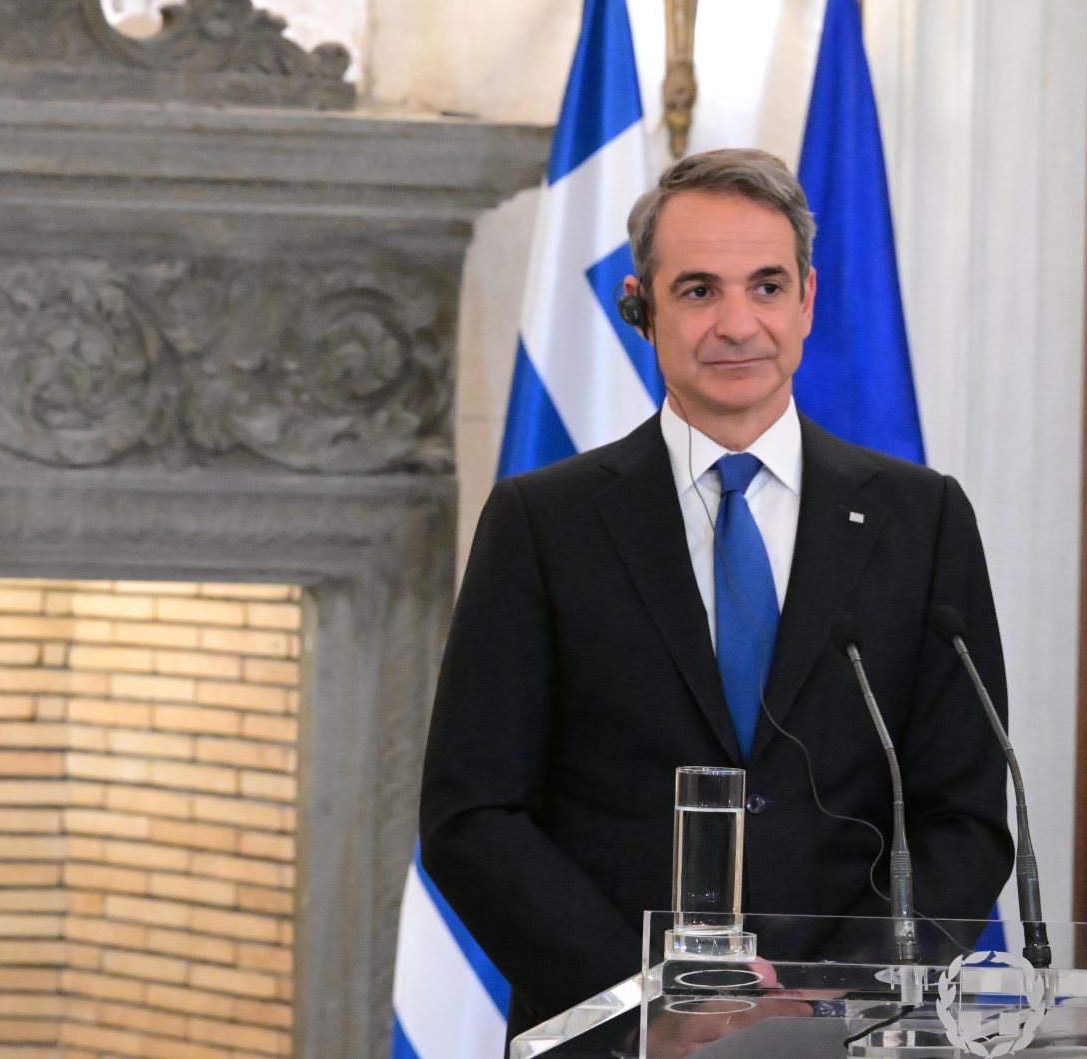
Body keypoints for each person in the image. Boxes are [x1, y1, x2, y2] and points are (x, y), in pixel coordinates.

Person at [419, 148, 1012, 1034]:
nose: (739, 324)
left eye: (767, 286)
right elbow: (472, 814)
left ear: (807, 300)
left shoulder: (923, 519)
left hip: (847, 1036)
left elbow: (964, 815)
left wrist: (826, 999)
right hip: (613, 1037)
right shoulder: (542, 523)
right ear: (641, 308)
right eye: (699, 290)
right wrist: (645, 1005)